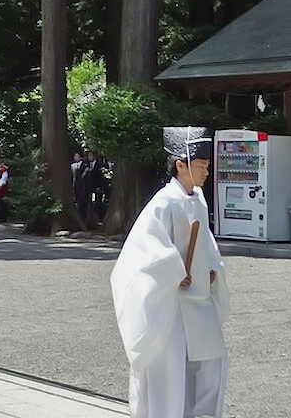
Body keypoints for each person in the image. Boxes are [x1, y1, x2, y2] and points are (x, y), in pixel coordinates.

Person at [110, 126, 229, 418]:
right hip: (172, 302)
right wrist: (174, 271)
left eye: (207, 166)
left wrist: (210, 268)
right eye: (201, 166)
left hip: (198, 299)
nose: (206, 172)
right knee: (171, 371)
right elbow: (144, 251)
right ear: (181, 165)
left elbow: (206, 246)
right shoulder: (163, 202)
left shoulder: (197, 199)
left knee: (212, 363)